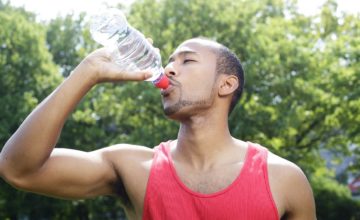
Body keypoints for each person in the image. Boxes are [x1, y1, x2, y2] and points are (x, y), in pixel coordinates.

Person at [0, 38, 316, 219]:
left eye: (187, 61)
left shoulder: (283, 178)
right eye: (170, 61)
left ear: (226, 84)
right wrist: (87, 72)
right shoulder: (133, 167)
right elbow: (19, 170)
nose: (168, 68)